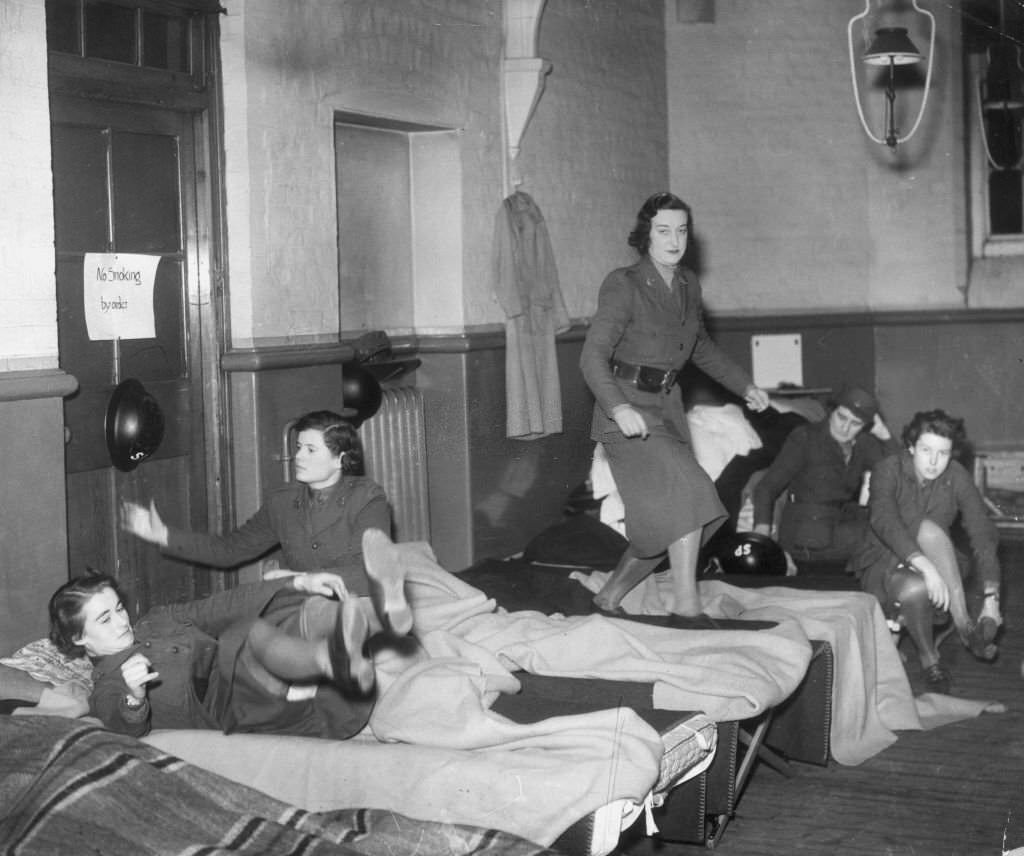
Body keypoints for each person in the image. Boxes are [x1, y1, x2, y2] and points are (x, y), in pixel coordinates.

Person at [580, 191, 770, 618]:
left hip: (666, 410)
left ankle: (609, 597)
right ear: (646, 235)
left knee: (665, 523)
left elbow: (700, 347)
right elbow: (591, 357)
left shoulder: (687, 284)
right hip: (626, 413)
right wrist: (619, 407)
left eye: (682, 231)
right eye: (664, 230)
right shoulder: (623, 284)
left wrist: (745, 386)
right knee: (692, 496)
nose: (674, 240)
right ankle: (687, 607)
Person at [48, 540, 411, 740]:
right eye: (105, 618)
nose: (121, 621)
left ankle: (381, 616)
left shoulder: (154, 621)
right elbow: (125, 722)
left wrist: (296, 583)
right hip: (239, 705)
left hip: (278, 668)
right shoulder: (106, 687)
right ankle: (334, 658)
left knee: (295, 610)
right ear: (79, 638)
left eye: (119, 608)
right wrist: (135, 697)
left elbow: (218, 607)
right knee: (248, 638)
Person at [121, 411, 409, 634]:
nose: (297, 457)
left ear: (340, 460)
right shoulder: (282, 502)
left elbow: (367, 572)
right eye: (298, 447)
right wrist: (163, 535)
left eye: (310, 450)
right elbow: (230, 549)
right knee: (232, 639)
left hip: (351, 607)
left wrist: (291, 580)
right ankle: (157, 627)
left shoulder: (368, 499)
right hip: (295, 605)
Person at [847, 409, 1003, 694]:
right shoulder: (888, 468)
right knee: (916, 582)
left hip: (940, 558)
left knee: (925, 562)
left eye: (942, 453)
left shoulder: (957, 476)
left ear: (952, 453)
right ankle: (933, 655)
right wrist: (926, 568)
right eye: (926, 450)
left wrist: (992, 596)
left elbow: (982, 533)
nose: (933, 461)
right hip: (884, 558)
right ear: (911, 446)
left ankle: (950, 628)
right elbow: (884, 520)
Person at [751, 385, 900, 563]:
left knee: (892, 528)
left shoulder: (863, 444)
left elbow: (898, 472)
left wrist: (884, 435)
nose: (845, 428)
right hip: (805, 535)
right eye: (841, 417)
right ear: (831, 412)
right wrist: (762, 534)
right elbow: (766, 488)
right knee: (884, 537)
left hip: (842, 526)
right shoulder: (806, 437)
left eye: (855, 424)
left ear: (866, 426)